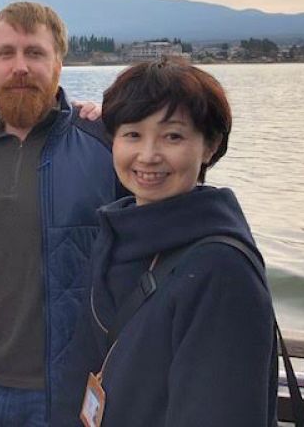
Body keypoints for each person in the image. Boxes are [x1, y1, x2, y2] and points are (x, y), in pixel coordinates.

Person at [53, 56, 278, 426]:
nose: (148, 155)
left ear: (209, 146)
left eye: (172, 136)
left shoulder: (221, 270)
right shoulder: (117, 237)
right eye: (132, 134)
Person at [0, 2, 121, 426]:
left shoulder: (106, 147)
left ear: (59, 62)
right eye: (6, 53)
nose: (20, 67)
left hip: (64, 389)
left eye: (35, 53)